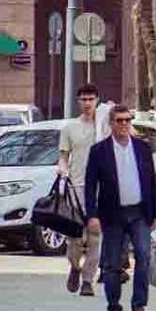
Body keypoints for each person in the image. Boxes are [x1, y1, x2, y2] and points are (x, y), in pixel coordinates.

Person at [84, 104, 156, 311]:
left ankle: (139, 306)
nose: (124, 124)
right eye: (119, 121)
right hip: (112, 214)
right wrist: (91, 215)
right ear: (111, 124)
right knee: (112, 263)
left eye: (128, 120)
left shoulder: (142, 148)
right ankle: (114, 307)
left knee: (143, 256)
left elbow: (151, 182)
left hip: (139, 212)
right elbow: (90, 186)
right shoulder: (99, 151)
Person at [58, 83, 107, 297]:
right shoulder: (69, 128)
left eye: (91, 99)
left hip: (99, 189)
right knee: (75, 238)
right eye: (84, 99)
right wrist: (63, 172)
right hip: (76, 188)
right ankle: (75, 267)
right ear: (78, 102)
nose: (87, 103)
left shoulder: (104, 126)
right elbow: (63, 157)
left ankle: (88, 280)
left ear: (97, 100)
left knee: (95, 237)